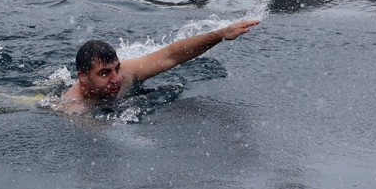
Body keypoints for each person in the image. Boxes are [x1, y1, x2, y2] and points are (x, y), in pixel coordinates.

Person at [58, 19, 260, 113]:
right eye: (104, 73)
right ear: (83, 77)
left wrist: (221, 34)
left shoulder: (127, 74)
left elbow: (172, 55)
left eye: (116, 69)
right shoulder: (74, 107)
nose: (115, 79)